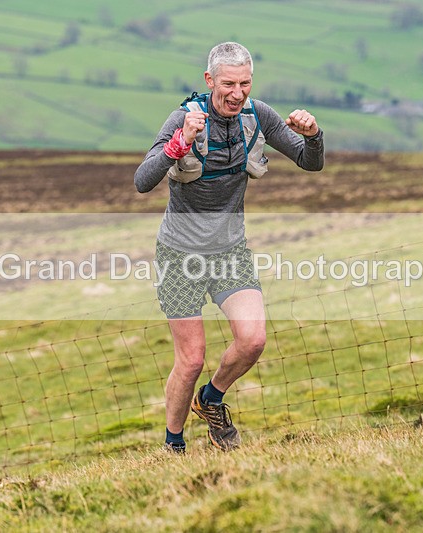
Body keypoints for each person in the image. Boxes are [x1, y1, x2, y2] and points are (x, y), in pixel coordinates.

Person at [134, 42, 324, 453]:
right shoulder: (183, 118)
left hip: (230, 254)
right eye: (228, 84)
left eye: (245, 83)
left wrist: (314, 136)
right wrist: (178, 143)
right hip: (179, 255)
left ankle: (212, 399)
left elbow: (310, 162)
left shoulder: (259, 117)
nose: (237, 93)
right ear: (209, 81)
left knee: (253, 340)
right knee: (191, 360)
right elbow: (142, 181)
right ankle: (174, 445)